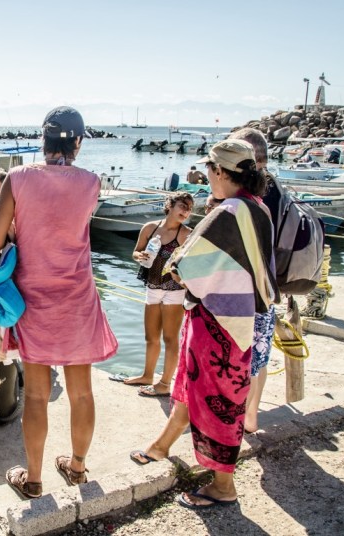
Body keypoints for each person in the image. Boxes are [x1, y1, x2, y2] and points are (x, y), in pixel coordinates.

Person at [129, 139, 277, 510]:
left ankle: (223, 485)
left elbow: (184, 267)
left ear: (220, 171)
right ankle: (162, 446)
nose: (206, 175)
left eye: (209, 169)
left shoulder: (227, 212)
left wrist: (179, 264)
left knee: (217, 400)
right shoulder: (257, 207)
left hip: (217, 322)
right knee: (195, 386)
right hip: (245, 316)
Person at [0, 106, 119, 499]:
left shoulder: (17, 178)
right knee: (81, 392)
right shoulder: (91, 182)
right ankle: (76, 468)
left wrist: (14, 231)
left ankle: (34, 480)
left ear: (42, 140)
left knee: (36, 395)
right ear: (78, 142)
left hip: (34, 301)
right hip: (78, 299)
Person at [117, 192, 193, 396]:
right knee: (151, 337)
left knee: (170, 338)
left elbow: (193, 265)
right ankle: (147, 375)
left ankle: (165, 384)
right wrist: (139, 256)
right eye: (183, 206)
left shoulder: (186, 234)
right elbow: (136, 251)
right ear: (170, 205)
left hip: (175, 290)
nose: (186, 211)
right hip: (153, 286)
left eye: (189, 208)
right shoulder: (150, 228)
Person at [229, 127, 278, 433]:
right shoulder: (270, 194)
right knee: (260, 358)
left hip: (249, 296)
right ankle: (251, 417)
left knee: (245, 360)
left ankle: (239, 420)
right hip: (268, 291)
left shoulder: (244, 200)